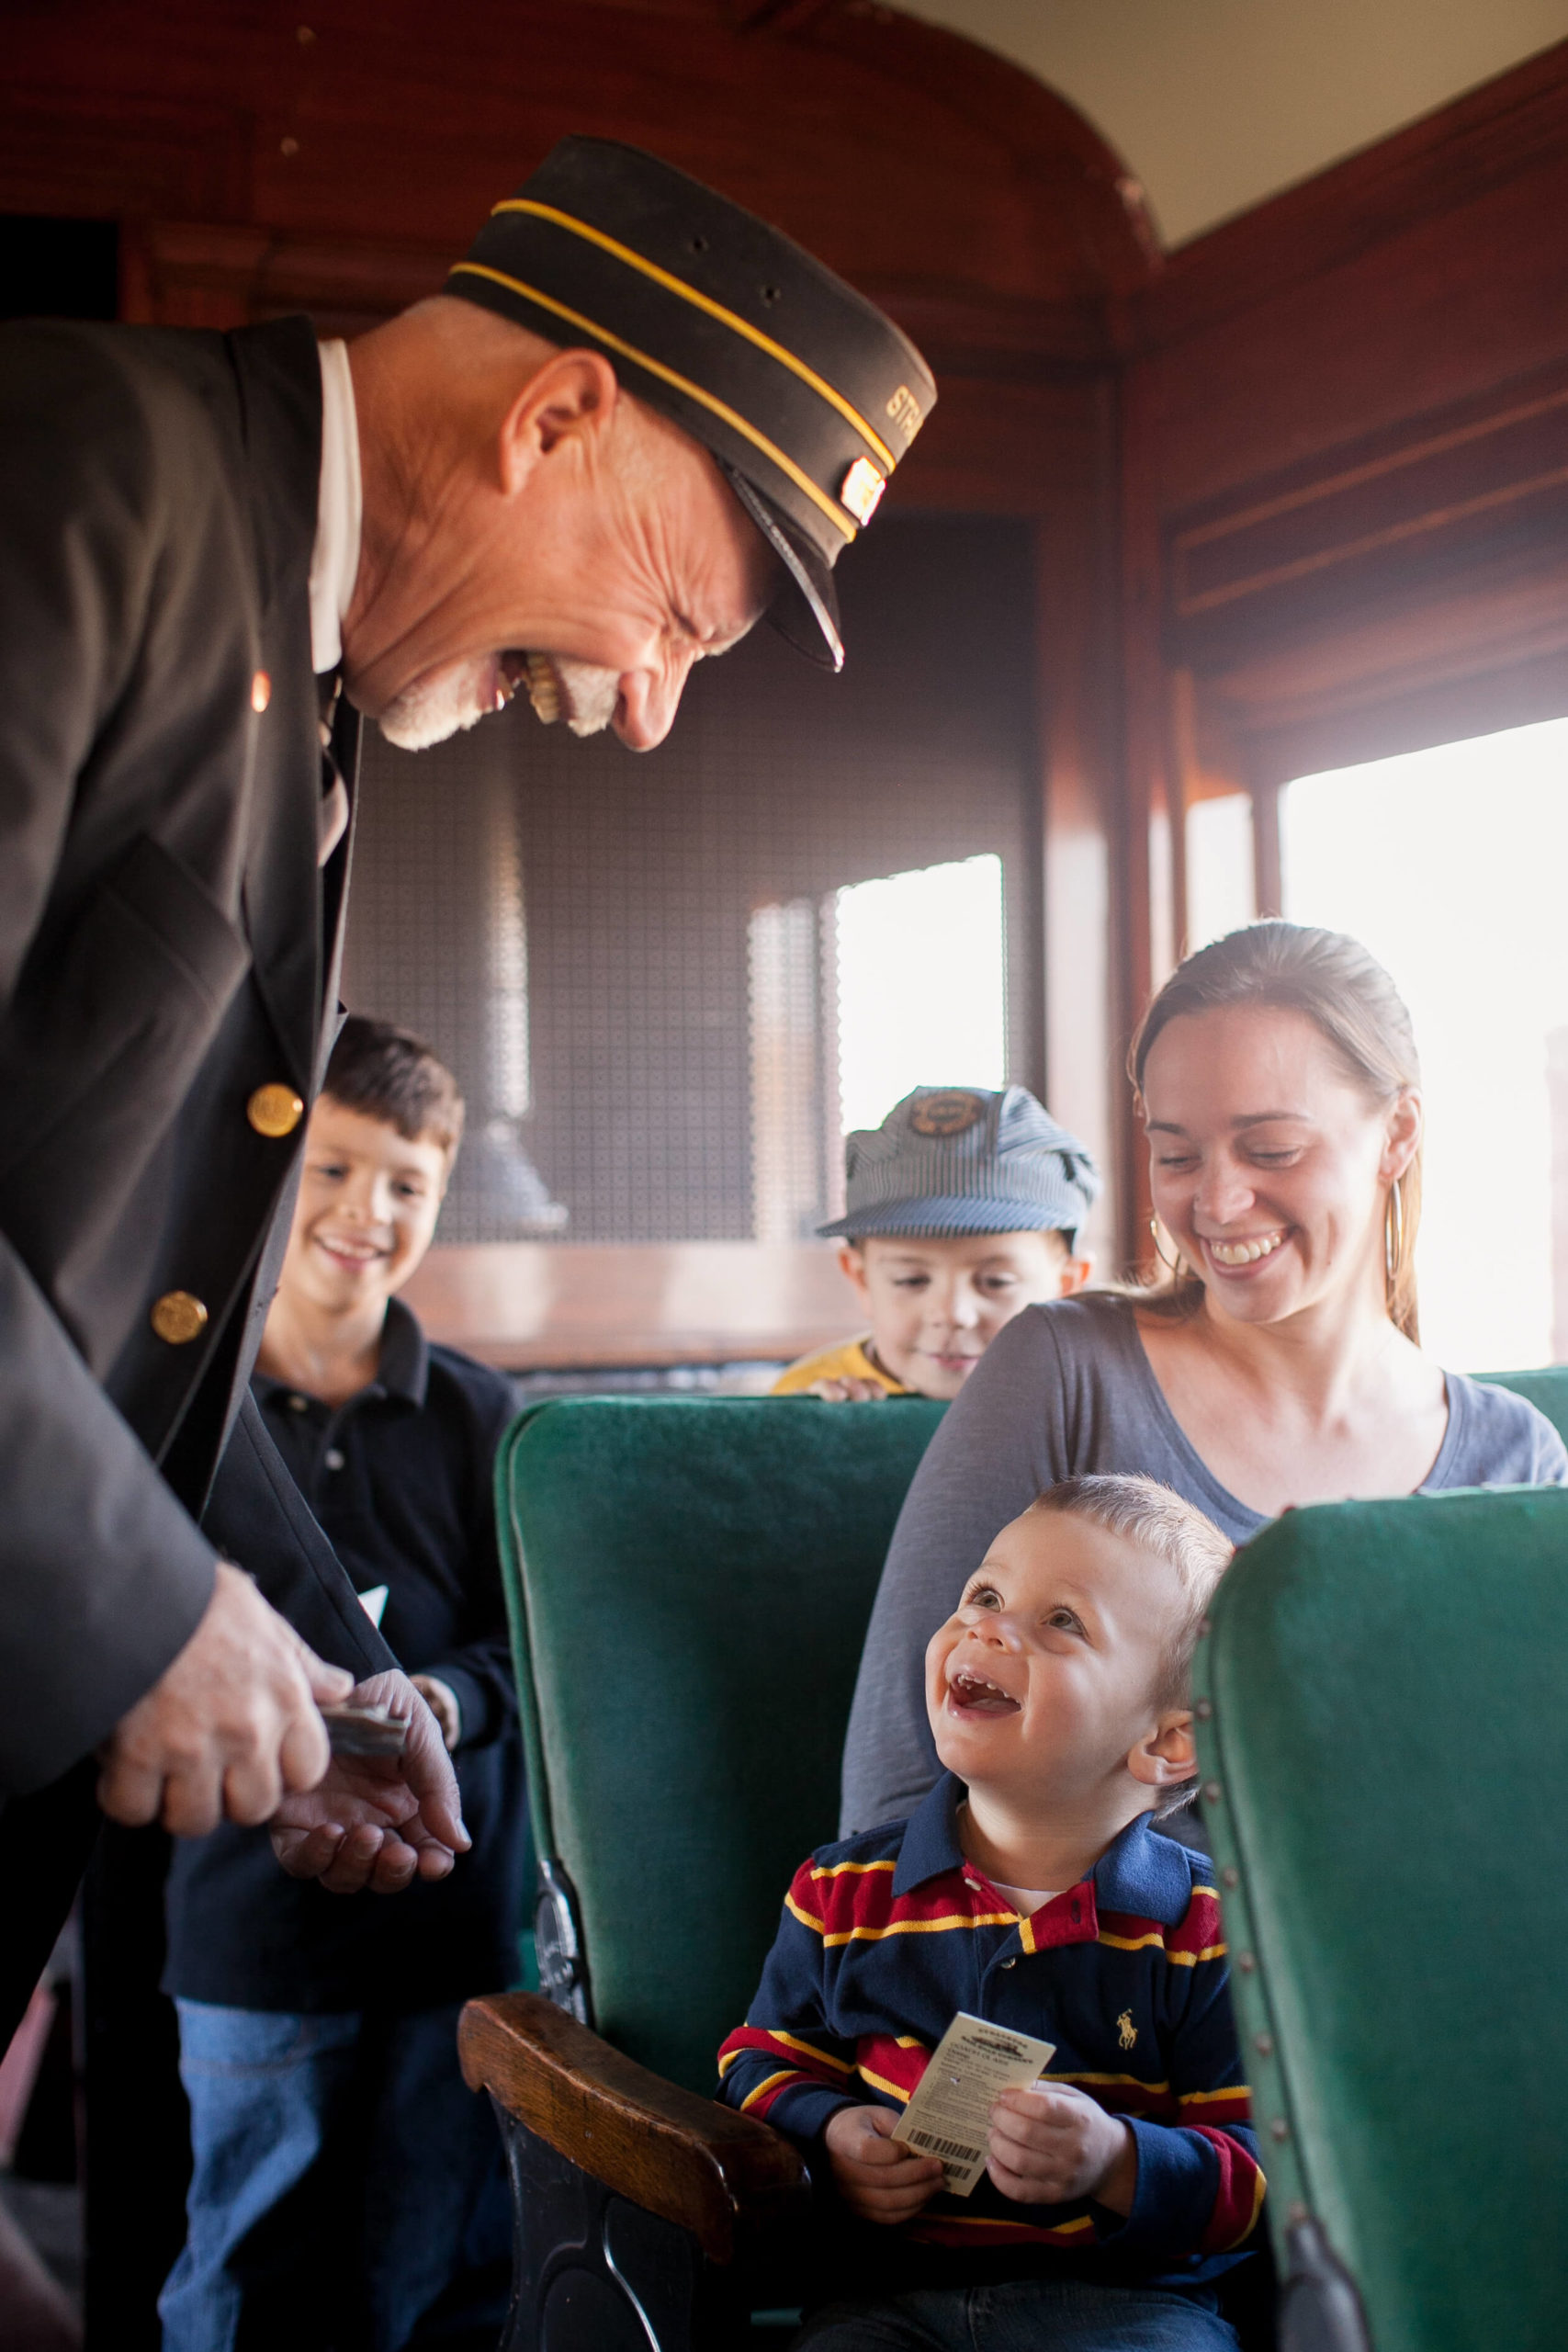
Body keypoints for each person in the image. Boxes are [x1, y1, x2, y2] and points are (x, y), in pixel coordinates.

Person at [0, 130, 936, 2044]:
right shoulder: (85, 464)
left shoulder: (311, 678)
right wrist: (140, 1610)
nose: (647, 704)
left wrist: (325, 1665)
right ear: (559, 415)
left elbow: (132, 1301)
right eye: (678, 612)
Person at [842, 922, 1568, 1835]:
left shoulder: (1517, 1456)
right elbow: (896, 1794)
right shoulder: (1064, 1371)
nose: (1215, 1205)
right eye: (1176, 1155)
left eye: (1271, 1150)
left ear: (1399, 1133)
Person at [159, 1020, 525, 2352]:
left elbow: (524, 1654)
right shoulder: (180, 1408)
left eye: (404, 1184)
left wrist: (445, 1701)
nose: (364, 1213)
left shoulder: (483, 1417)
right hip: (250, 1933)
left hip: (455, 1935)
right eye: (330, 1169)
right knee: (243, 2270)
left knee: (438, 2279)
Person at [720, 1475, 1256, 2352]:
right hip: (884, 2300)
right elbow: (757, 2065)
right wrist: (831, 2133)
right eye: (985, 1593)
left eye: (1062, 1622)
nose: (989, 1626)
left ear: (1165, 1741)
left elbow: (1262, 2178)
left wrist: (1117, 2162)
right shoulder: (838, 1893)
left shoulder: (1206, 1928)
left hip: (1125, 2307)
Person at [773, 1087, 1097, 1402]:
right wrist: (810, 1431)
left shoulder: (1089, 1403)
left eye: (996, 1282)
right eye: (912, 1280)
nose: (952, 1314)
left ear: (1066, 1286)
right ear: (861, 1279)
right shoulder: (802, 1393)